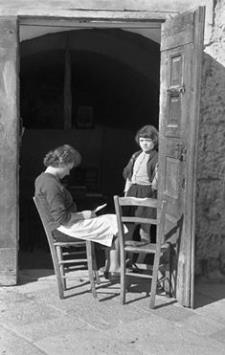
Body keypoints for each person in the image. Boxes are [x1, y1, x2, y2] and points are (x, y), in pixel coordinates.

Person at [34, 144, 126, 280]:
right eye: (69, 168)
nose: (68, 173)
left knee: (111, 219)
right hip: (63, 230)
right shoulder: (51, 184)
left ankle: (110, 266)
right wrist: (84, 215)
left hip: (61, 227)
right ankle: (114, 268)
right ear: (62, 163)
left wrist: (84, 215)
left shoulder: (42, 178)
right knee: (115, 222)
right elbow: (61, 217)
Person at [123, 125, 158, 251]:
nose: (144, 144)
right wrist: (126, 193)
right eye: (142, 140)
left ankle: (141, 258)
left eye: (148, 141)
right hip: (133, 191)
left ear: (154, 141)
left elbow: (156, 181)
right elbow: (128, 176)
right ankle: (128, 257)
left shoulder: (157, 157)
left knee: (145, 227)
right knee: (128, 226)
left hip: (147, 192)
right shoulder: (135, 155)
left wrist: (152, 192)